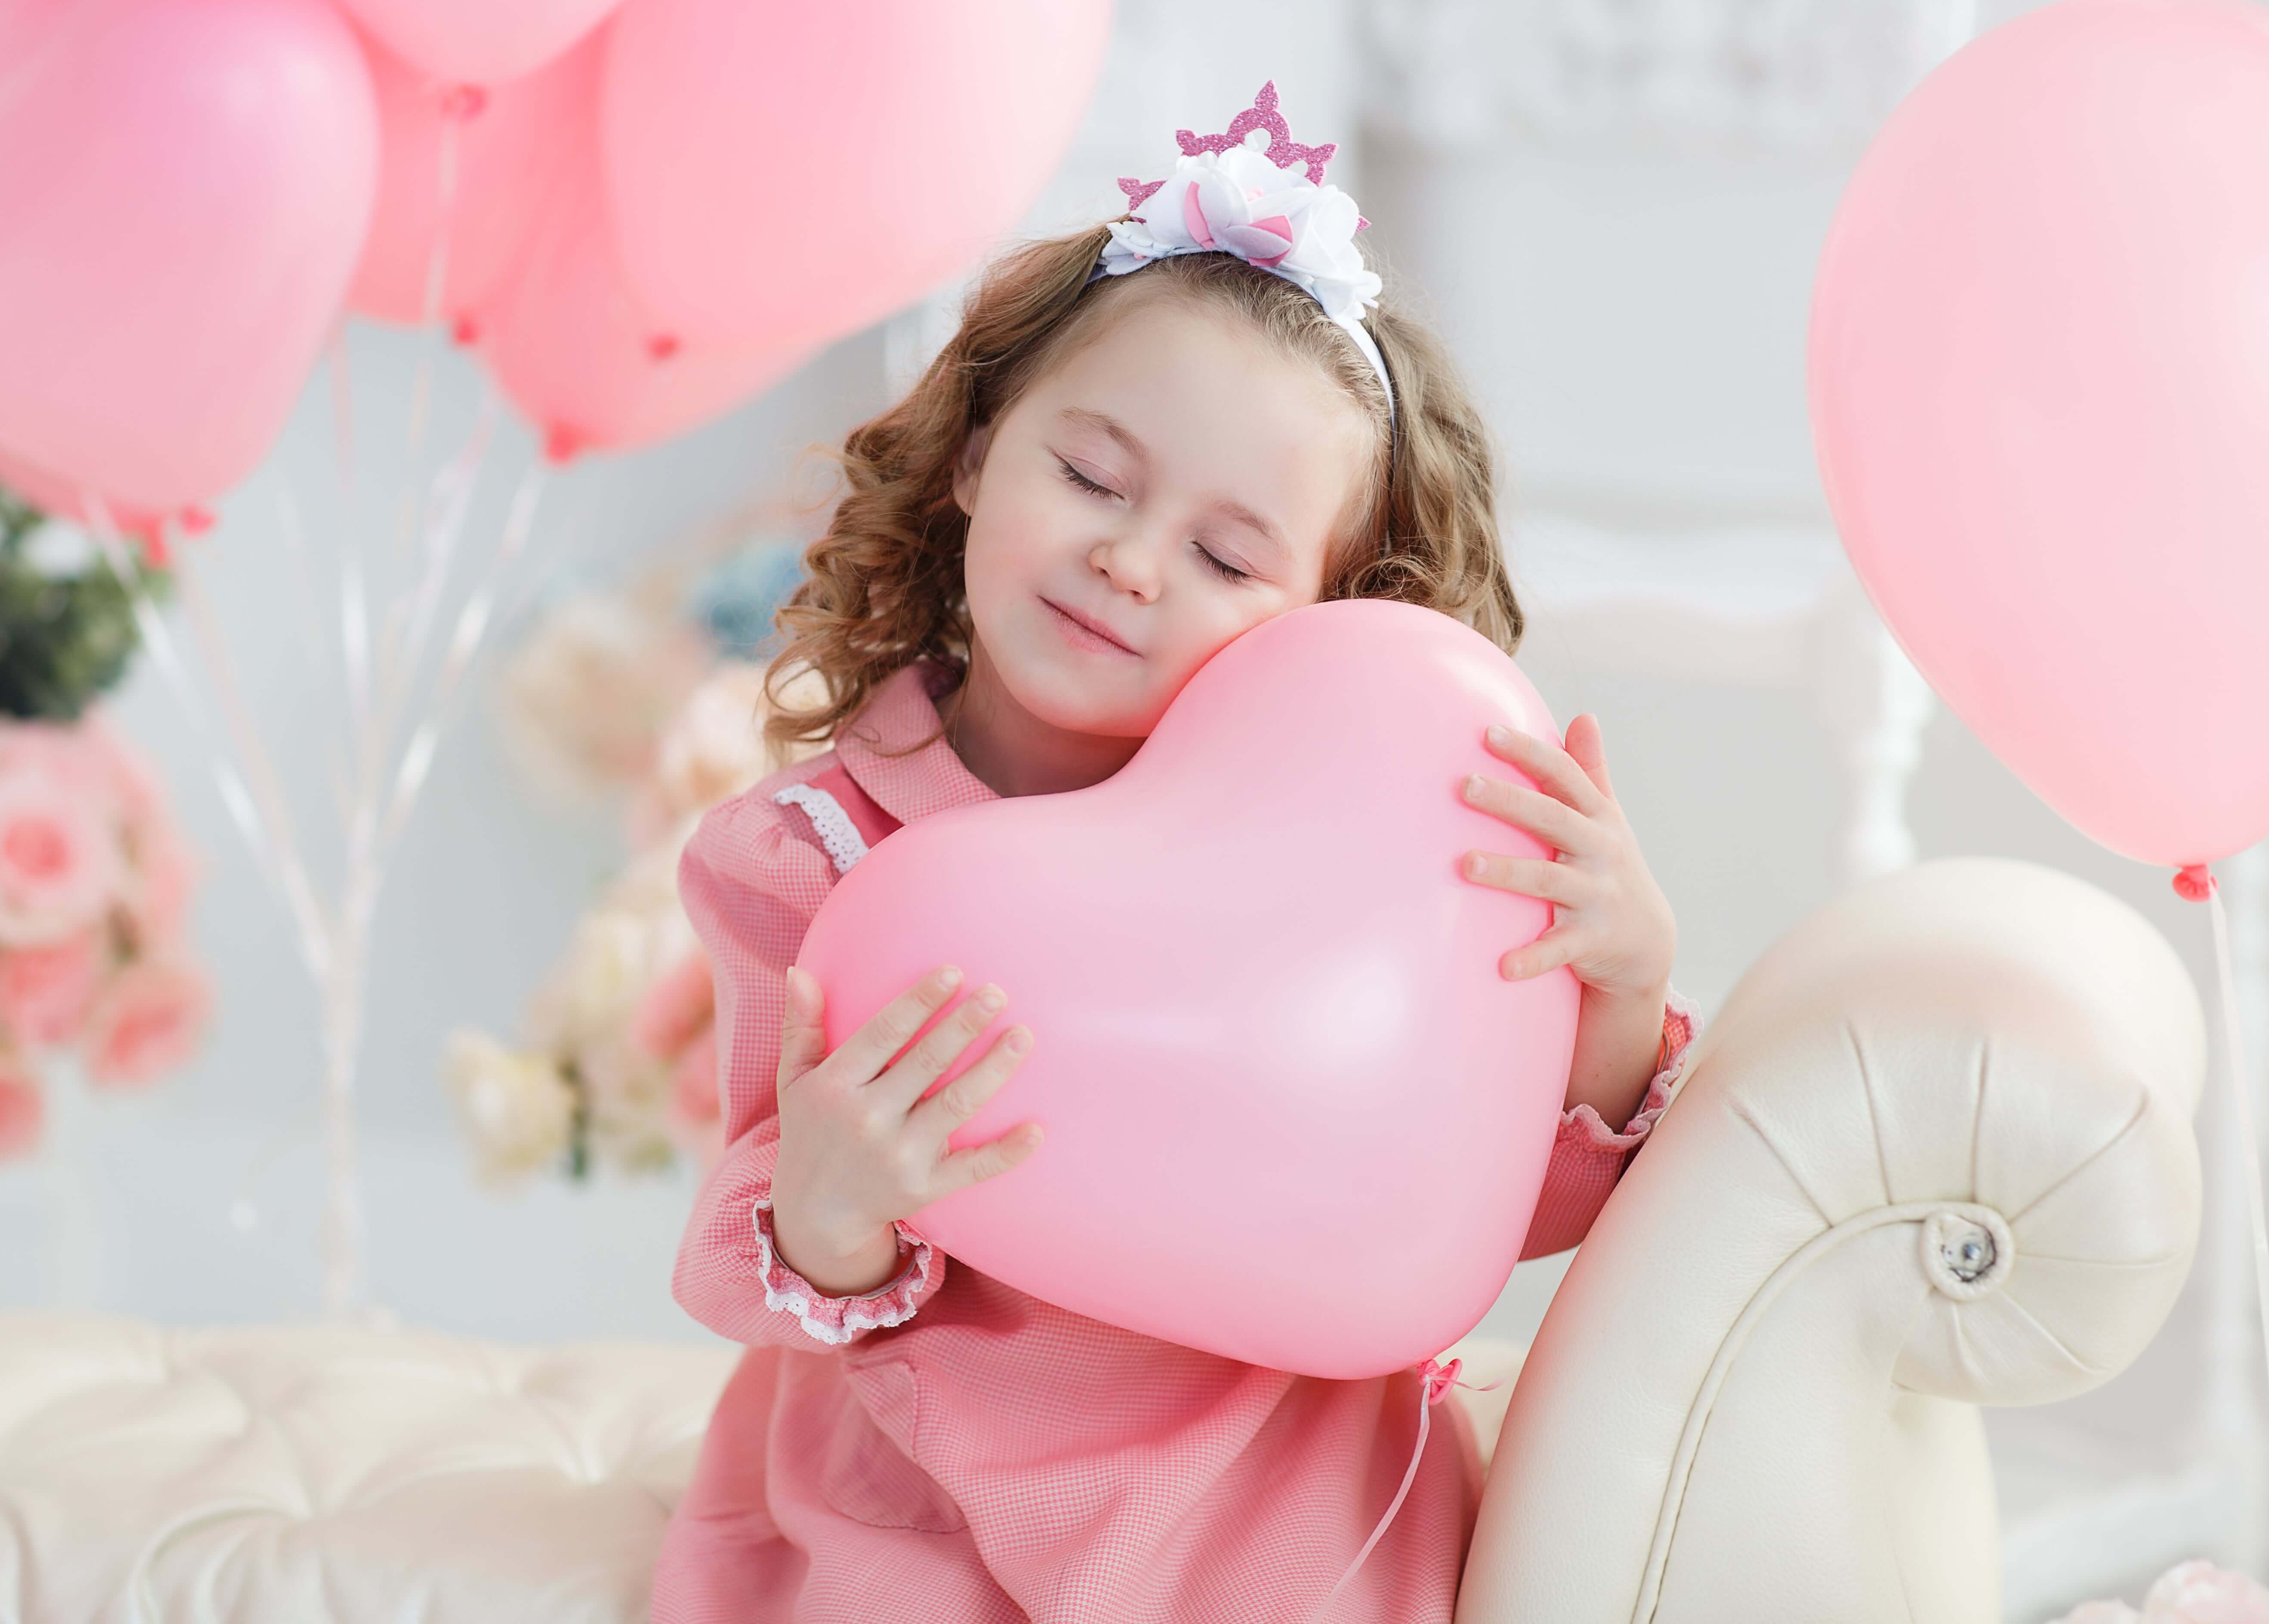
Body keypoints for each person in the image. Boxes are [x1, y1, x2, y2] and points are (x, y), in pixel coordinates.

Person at [650, 85, 1701, 1624]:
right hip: (928, 1513)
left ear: (1334, 611)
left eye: (1226, 557)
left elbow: (1484, 1214)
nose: (1127, 563)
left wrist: (1618, 980)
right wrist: (835, 1202)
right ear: (976, 454)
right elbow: (745, 1257)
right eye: (1089, 477)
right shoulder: (809, 860)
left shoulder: (1367, 865)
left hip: (1286, 1516)